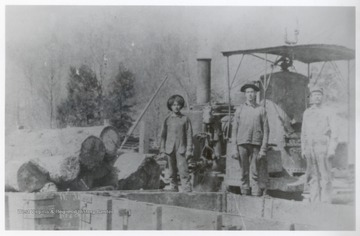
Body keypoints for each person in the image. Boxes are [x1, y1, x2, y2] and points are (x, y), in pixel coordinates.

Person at [231, 82, 269, 196]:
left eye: (252, 92)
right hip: (242, 143)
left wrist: (263, 148)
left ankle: (255, 191)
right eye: (248, 92)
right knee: (244, 170)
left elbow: (266, 130)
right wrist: (234, 148)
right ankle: (245, 190)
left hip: (256, 143)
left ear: (256, 94)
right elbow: (234, 130)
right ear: (245, 95)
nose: (250, 94)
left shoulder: (261, 110)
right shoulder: (240, 109)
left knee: (255, 170)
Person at [300, 86, 337, 203]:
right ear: (310, 97)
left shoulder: (328, 112)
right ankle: (315, 202)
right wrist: (303, 149)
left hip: (322, 146)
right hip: (310, 148)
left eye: (319, 95)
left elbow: (334, 132)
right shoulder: (307, 113)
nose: (317, 97)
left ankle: (326, 203)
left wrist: (332, 149)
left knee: (325, 176)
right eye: (314, 95)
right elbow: (303, 132)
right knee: (312, 176)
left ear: (322, 97)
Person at [159, 95, 193, 192]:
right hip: (169, 150)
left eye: (178, 105)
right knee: (171, 172)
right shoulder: (167, 119)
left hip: (181, 149)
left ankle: (187, 191)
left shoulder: (185, 119)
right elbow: (162, 136)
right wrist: (162, 150)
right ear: (170, 106)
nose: (176, 107)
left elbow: (189, 135)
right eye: (174, 105)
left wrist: (189, 149)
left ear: (181, 106)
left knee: (183, 171)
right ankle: (173, 190)